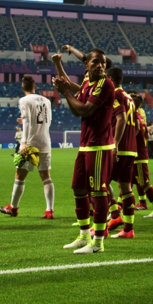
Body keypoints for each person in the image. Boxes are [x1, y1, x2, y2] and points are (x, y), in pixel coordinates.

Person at [52, 49, 117, 253]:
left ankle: (97, 242)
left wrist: (65, 93)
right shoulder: (88, 84)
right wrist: (58, 67)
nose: (101, 66)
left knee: (98, 193)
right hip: (85, 145)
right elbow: (73, 93)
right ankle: (83, 235)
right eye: (96, 62)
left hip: (99, 146)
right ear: (87, 65)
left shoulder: (105, 84)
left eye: (103, 63)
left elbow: (83, 109)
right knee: (79, 189)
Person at [0, 75, 55, 219]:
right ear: (35, 86)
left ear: (22, 88)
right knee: (46, 177)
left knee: (19, 176)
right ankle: (49, 210)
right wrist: (24, 122)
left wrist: (24, 142)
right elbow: (47, 121)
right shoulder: (47, 101)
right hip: (45, 142)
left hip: (30, 144)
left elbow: (28, 121)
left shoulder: (24, 100)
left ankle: (13, 208)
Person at [105, 67, 138, 238]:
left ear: (110, 78)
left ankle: (101, 227)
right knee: (125, 187)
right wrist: (130, 139)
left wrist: (116, 143)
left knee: (101, 184)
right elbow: (137, 126)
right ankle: (128, 229)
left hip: (120, 148)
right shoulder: (129, 98)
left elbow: (121, 118)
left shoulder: (116, 95)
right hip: (131, 149)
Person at [130, 94, 153, 217]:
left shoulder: (134, 117)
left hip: (138, 155)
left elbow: (136, 133)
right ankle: (116, 211)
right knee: (126, 182)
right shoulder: (139, 116)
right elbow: (146, 135)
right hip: (136, 154)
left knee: (144, 183)